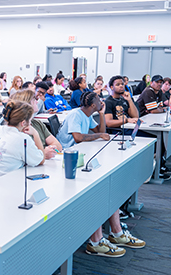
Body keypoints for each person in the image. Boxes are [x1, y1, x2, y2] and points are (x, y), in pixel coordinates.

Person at [56, 91, 145, 257]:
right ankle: (103, 237)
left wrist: (102, 114)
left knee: (105, 181)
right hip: (68, 156)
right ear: (91, 105)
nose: (101, 100)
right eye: (98, 100)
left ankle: (114, 232)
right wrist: (99, 135)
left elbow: (100, 131)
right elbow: (78, 138)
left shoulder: (88, 114)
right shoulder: (76, 114)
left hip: (81, 153)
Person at [11, 89, 62, 160]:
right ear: (27, 104)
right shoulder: (18, 129)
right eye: (34, 100)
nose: (37, 102)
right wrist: (42, 153)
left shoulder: (37, 123)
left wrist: (50, 149)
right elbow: (23, 158)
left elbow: (58, 146)